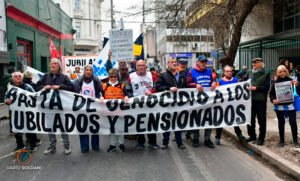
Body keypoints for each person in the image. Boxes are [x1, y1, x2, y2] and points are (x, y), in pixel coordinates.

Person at [36, 58, 74, 155]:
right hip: (49, 107)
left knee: (63, 127)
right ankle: (52, 146)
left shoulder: (64, 77)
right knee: (50, 127)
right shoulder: (45, 77)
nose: (53, 65)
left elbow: (71, 88)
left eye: (55, 64)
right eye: (52, 63)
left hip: (61, 107)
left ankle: (66, 146)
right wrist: (44, 87)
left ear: (59, 66)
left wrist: (60, 86)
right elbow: (36, 87)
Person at [127, 60, 160, 149]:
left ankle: (152, 142)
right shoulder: (131, 76)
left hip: (151, 104)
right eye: (139, 65)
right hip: (138, 105)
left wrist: (152, 91)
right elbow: (129, 90)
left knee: (151, 123)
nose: (141, 67)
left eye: (142, 65)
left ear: (146, 66)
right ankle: (140, 142)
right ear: (136, 67)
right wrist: (129, 98)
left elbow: (157, 87)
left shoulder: (152, 75)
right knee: (139, 123)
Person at [156, 57, 186, 150]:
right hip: (167, 104)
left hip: (179, 103)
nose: (174, 63)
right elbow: (158, 87)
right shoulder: (163, 75)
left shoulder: (181, 75)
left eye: (175, 62)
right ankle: (165, 142)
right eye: (172, 62)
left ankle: (179, 142)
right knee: (167, 124)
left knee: (178, 123)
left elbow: (186, 86)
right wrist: (169, 89)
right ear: (168, 64)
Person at [187, 55, 217, 148]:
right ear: (197, 62)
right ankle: (196, 138)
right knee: (197, 119)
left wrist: (214, 82)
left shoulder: (209, 71)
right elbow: (187, 84)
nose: (204, 63)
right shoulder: (191, 71)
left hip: (208, 100)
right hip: (197, 100)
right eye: (202, 62)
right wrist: (195, 85)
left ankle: (207, 139)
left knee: (209, 119)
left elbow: (214, 80)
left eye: (205, 62)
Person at [5, 72, 38, 152]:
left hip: (27, 112)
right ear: (13, 78)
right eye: (16, 76)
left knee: (30, 129)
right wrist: (7, 101)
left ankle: (33, 145)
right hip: (16, 114)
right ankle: (20, 145)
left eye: (20, 76)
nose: (18, 77)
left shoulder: (28, 87)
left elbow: (35, 96)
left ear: (22, 77)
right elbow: (6, 97)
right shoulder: (10, 88)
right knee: (17, 129)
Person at [269, 65, 299, 148]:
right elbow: (271, 95)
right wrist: (273, 100)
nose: (282, 73)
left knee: (293, 122)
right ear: (278, 73)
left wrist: (297, 85)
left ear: (286, 71)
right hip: (279, 106)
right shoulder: (275, 83)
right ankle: (282, 141)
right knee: (281, 123)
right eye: (280, 71)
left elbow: (298, 92)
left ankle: (295, 141)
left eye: (284, 71)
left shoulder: (291, 81)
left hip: (290, 105)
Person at [215, 66, 247, 145]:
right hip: (223, 105)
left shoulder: (236, 80)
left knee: (235, 120)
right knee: (220, 121)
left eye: (230, 71)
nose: (229, 73)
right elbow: (217, 93)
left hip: (234, 105)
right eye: (227, 71)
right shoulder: (219, 81)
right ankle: (218, 137)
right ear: (224, 72)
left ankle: (239, 135)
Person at [74, 65, 101, 153]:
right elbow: (75, 94)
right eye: (87, 70)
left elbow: (98, 93)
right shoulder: (78, 81)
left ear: (92, 72)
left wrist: (98, 99)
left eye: (90, 70)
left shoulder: (96, 80)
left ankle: (95, 145)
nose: (88, 72)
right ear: (84, 71)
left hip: (93, 107)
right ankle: (84, 146)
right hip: (82, 108)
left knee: (94, 127)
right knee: (83, 127)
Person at [100, 68, 129, 152]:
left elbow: (126, 95)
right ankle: (112, 145)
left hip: (120, 110)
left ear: (117, 77)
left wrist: (126, 97)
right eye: (111, 77)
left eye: (115, 77)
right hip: (109, 110)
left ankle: (121, 144)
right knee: (111, 128)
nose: (113, 78)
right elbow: (101, 95)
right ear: (109, 77)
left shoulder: (122, 85)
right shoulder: (104, 85)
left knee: (120, 127)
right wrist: (101, 97)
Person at [247, 58, 270, 146]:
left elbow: (267, 87)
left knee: (261, 120)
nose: (254, 64)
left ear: (261, 64)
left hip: (260, 101)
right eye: (253, 63)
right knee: (250, 119)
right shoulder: (251, 73)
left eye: (256, 63)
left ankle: (261, 138)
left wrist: (256, 88)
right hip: (251, 100)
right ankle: (252, 136)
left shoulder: (266, 74)